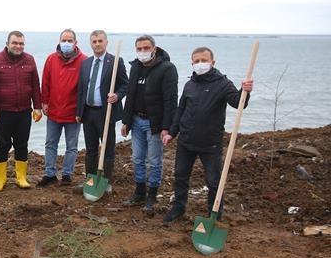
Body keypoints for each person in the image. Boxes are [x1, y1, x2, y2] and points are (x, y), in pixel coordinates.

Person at [162, 47, 253, 222]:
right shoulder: (190, 84)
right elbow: (181, 110)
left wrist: (245, 92)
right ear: (192, 63)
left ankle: (214, 214)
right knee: (180, 176)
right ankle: (178, 208)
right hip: (186, 141)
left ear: (212, 62)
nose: (200, 64)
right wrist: (171, 133)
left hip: (210, 144)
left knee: (213, 182)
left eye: (203, 60)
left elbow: (237, 102)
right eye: (196, 61)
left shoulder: (223, 83)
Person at [121, 34, 178, 215]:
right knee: (137, 158)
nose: (143, 52)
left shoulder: (167, 68)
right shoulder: (135, 67)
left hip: (155, 123)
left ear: (154, 49)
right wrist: (126, 121)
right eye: (139, 49)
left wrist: (166, 126)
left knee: (154, 161)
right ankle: (139, 191)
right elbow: (130, 96)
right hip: (136, 121)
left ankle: (152, 195)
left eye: (146, 48)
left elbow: (170, 100)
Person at [0, 31, 42, 192]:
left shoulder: (30, 60)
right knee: (2, 144)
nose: (18, 46)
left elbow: (35, 85)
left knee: (22, 144)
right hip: (2, 111)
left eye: (21, 43)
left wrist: (37, 107)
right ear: (7, 43)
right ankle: (1, 178)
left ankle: (21, 177)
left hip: (24, 111)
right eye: (15, 43)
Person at [76, 30, 128, 185]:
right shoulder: (85, 63)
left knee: (107, 149)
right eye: (94, 41)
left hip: (106, 113)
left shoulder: (115, 61)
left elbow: (125, 84)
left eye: (100, 41)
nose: (97, 44)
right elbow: (81, 89)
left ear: (106, 42)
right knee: (90, 149)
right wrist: (79, 112)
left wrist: (117, 96)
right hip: (88, 112)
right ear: (91, 43)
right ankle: (91, 181)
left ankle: (106, 182)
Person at [39, 28, 87, 186]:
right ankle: (49, 173)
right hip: (53, 110)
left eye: (70, 40)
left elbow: (86, 87)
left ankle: (67, 174)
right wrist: (44, 102)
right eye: (64, 40)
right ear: (59, 42)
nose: (66, 43)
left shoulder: (84, 61)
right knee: (50, 144)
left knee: (71, 146)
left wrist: (82, 110)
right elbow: (45, 82)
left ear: (75, 43)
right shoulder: (51, 59)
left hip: (73, 113)